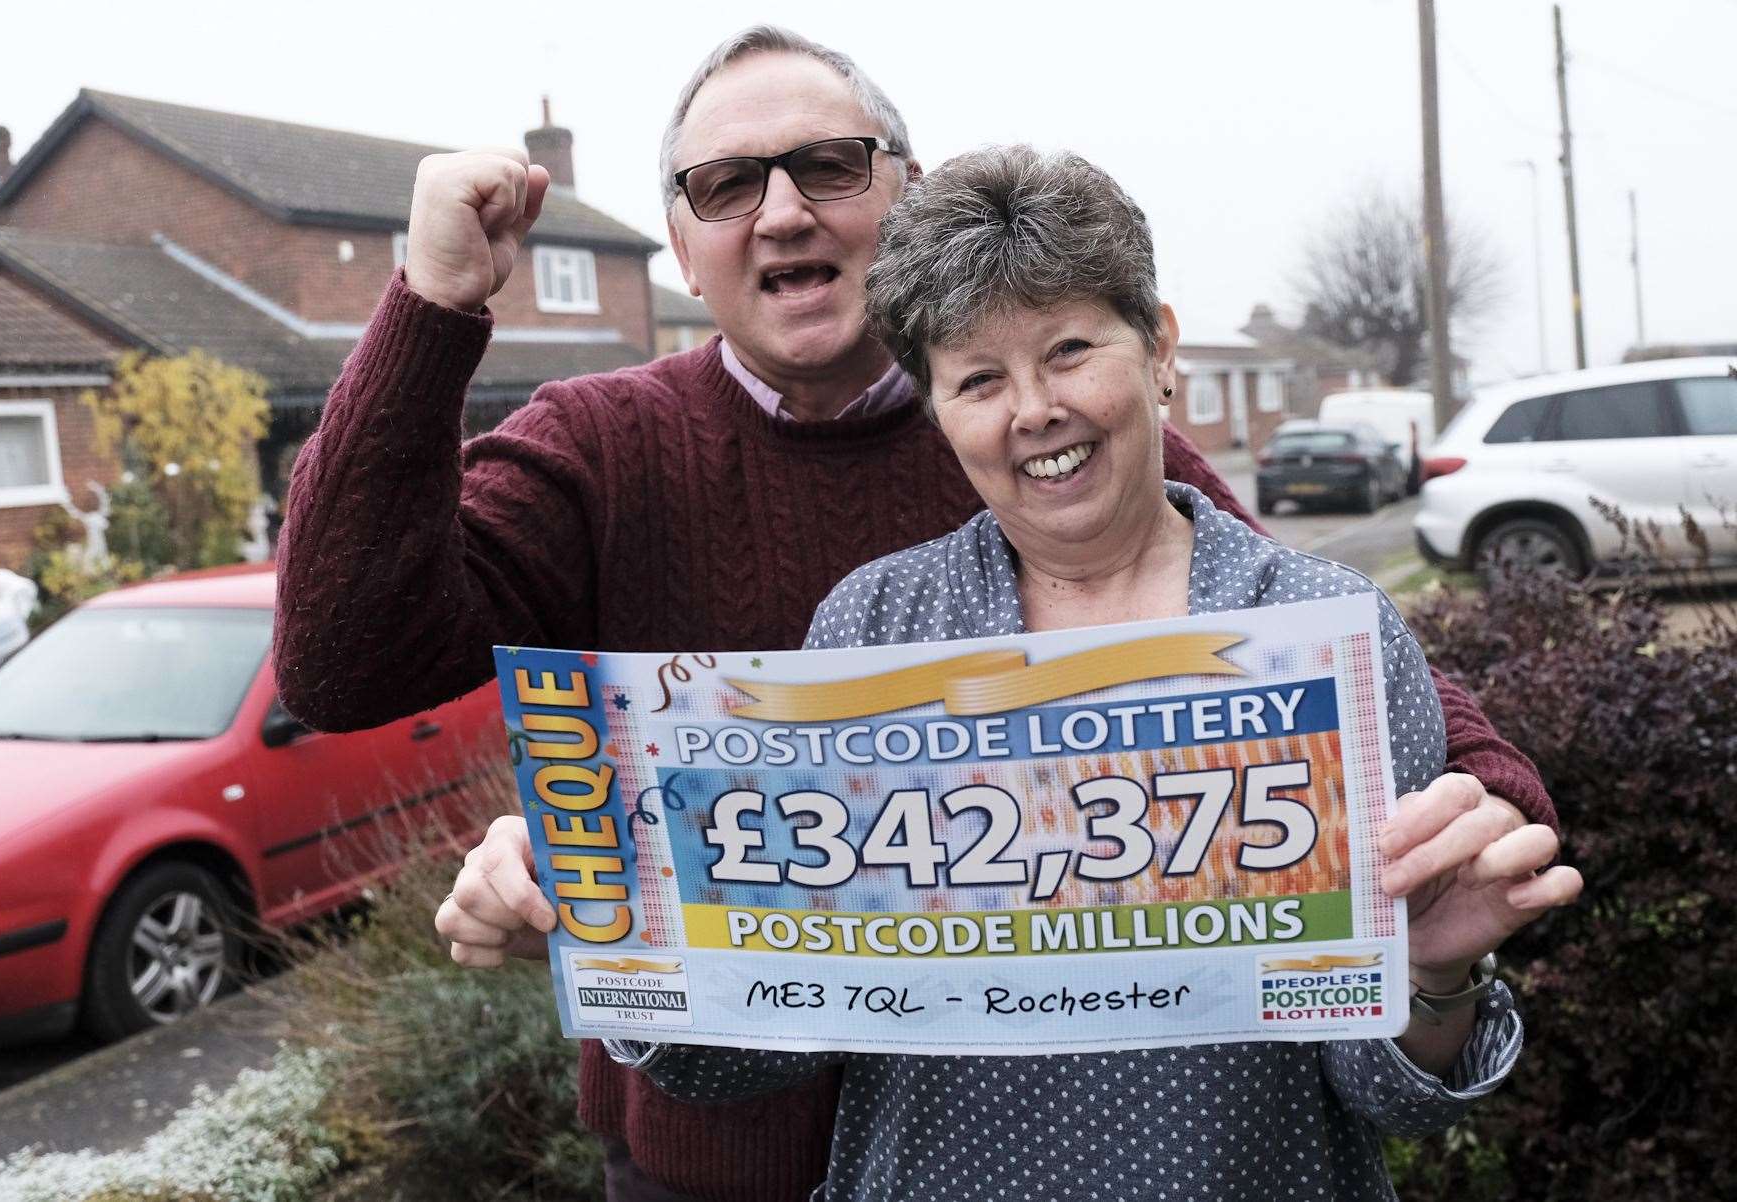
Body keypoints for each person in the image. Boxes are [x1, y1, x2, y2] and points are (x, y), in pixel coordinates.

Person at [274, 25, 1559, 1202]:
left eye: (827, 164)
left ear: (907, 190)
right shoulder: (631, 467)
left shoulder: (1118, 480)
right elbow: (340, 656)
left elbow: (1300, 643)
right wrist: (437, 302)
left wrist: (1469, 822)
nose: (780, 211)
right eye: (728, 185)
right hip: (736, 1157)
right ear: (683, 242)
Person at [620, 144, 1584, 1201]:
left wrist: (1431, 975)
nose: (1033, 408)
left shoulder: (1324, 629)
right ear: (938, 411)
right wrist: (621, 939)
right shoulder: (873, 627)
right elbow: (760, 1050)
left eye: (1070, 348)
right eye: (979, 378)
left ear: (1160, 347)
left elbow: (1384, 1093)